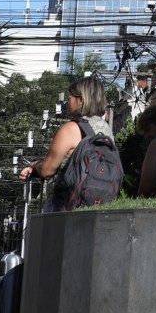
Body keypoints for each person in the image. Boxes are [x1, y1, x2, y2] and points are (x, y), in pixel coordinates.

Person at [19, 76, 115, 211]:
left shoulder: (71, 129)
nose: (67, 101)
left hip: (66, 207)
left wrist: (34, 165)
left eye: (70, 97)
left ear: (80, 100)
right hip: (98, 208)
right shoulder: (106, 130)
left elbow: (47, 170)